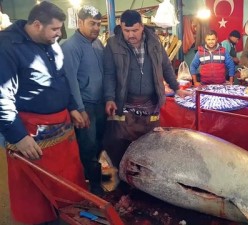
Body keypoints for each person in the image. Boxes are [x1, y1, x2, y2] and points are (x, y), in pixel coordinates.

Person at [0, 2, 87, 224]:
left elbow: (60, 78)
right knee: (37, 191)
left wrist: (72, 106)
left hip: (62, 127)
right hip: (32, 131)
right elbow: (3, 96)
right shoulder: (7, 46)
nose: (59, 34)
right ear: (37, 25)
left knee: (67, 185)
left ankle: (66, 215)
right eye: (55, 29)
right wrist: (18, 136)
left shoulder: (51, 42)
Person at [103, 10, 190, 167]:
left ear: (142, 26)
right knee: (122, 145)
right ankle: (125, 180)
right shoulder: (113, 44)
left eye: (134, 30)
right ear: (121, 27)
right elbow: (108, 74)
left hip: (150, 104)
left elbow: (166, 66)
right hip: (125, 104)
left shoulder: (154, 42)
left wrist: (176, 88)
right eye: (126, 30)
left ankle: (144, 180)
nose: (130, 35)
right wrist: (109, 98)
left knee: (149, 145)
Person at [61, 5, 106, 195]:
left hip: (100, 103)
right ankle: (93, 187)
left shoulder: (98, 44)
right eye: (91, 24)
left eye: (98, 24)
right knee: (87, 146)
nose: (96, 28)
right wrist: (79, 109)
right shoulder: (70, 47)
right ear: (80, 23)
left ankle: (93, 175)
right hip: (85, 105)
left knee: (99, 143)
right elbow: (70, 81)